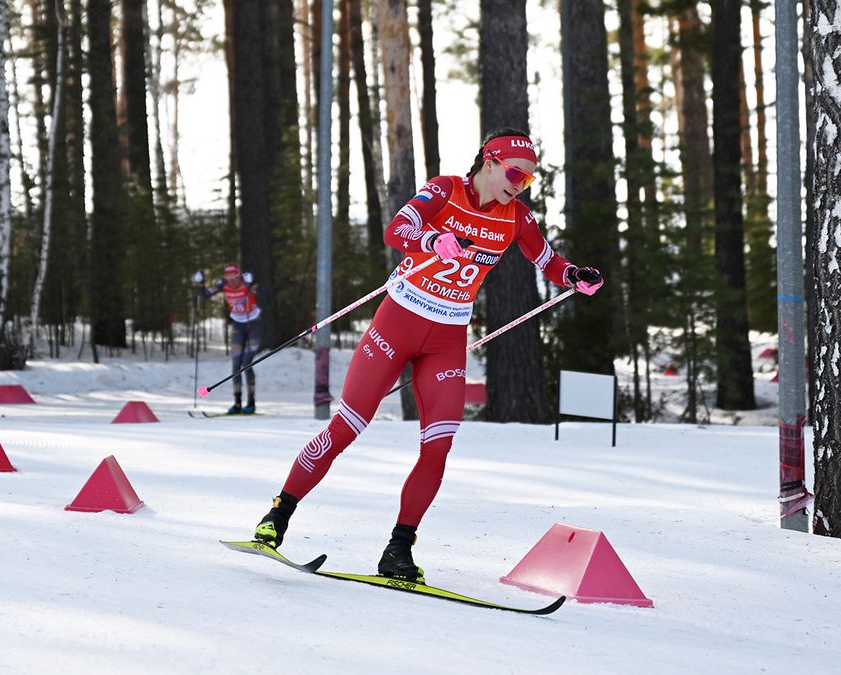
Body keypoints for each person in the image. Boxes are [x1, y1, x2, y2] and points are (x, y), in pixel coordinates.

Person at [251, 128, 604, 581]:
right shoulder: (444, 189)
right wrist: (432, 240)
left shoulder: (517, 216)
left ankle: (398, 549)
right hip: (396, 326)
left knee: (437, 448)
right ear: (490, 162)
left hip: (447, 341)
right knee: (347, 427)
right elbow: (396, 230)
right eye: (516, 172)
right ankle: (276, 518)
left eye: (529, 179)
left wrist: (576, 274)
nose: (520, 183)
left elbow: (549, 262)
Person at [194, 263, 264, 414]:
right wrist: (200, 283)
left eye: (234, 277)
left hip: (253, 324)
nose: (232, 281)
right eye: (229, 277)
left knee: (247, 363)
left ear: (239, 275)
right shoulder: (223, 285)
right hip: (238, 325)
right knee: (236, 364)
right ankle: (237, 403)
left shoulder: (246, 282)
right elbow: (204, 294)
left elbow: (262, 293)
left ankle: (251, 402)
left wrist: (253, 284)